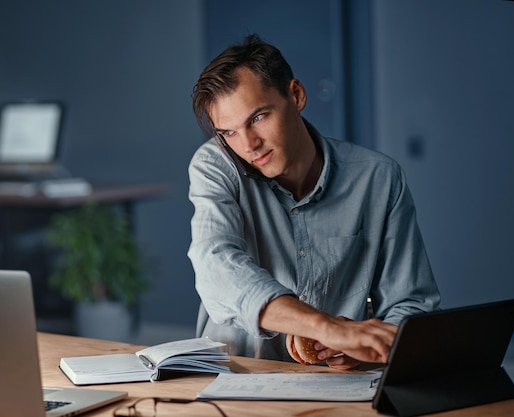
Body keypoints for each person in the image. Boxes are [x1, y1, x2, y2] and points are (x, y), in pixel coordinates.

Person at [187, 34, 440, 370]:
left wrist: (368, 346)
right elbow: (217, 267)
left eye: (258, 118)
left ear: (296, 95)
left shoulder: (379, 178)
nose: (249, 145)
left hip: (339, 385)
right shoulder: (215, 165)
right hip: (236, 378)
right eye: (229, 132)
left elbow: (411, 303)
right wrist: (327, 326)